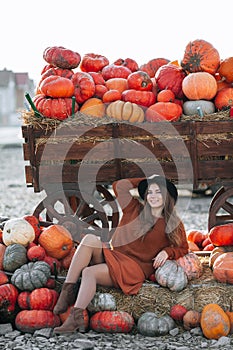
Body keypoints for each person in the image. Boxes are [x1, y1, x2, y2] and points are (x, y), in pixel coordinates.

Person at [53, 174, 189, 334]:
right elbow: (119, 186)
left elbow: (184, 248)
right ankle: (66, 293)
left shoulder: (173, 223)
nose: (153, 196)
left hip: (134, 269)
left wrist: (168, 251)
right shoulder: (134, 208)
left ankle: (75, 317)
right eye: (149, 192)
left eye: (158, 192)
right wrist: (146, 180)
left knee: (89, 272)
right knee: (89, 239)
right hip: (115, 256)